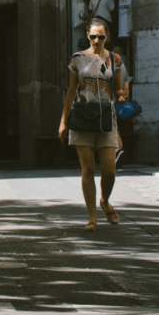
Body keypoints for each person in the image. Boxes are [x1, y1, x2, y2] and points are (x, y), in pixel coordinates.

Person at [59, 16, 127, 230]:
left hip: (106, 119)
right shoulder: (78, 58)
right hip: (81, 118)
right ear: (87, 36)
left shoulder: (115, 60)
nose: (97, 40)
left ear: (106, 36)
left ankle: (105, 201)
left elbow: (117, 88)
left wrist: (122, 95)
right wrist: (63, 121)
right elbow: (71, 91)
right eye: (93, 36)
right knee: (88, 168)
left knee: (109, 170)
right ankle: (92, 218)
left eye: (101, 36)